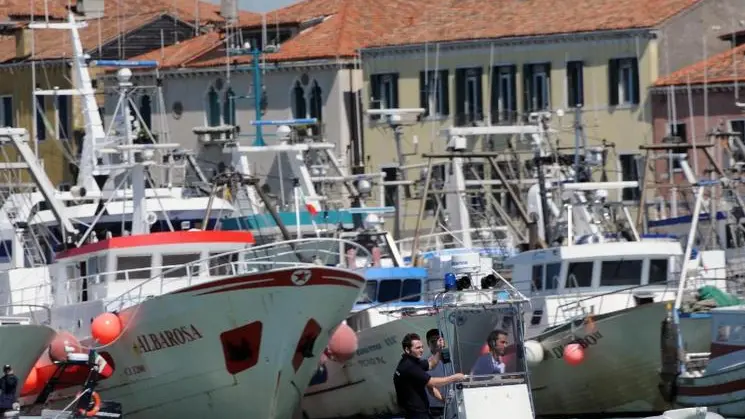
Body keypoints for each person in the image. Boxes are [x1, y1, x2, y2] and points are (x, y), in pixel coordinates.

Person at [394, 333, 466, 419]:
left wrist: (439, 349)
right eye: (417, 348)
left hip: (420, 412)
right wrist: (455, 377)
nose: (421, 350)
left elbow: (431, 364)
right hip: (416, 414)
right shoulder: (409, 366)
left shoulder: (412, 361)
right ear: (407, 349)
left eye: (422, 347)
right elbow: (432, 382)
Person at [425, 329, 446, 419]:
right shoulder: (425, 362)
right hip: (435, 407)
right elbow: (430, 387)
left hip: (455, 401)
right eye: (433, 341)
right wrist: (445, 401)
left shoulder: (452, 356)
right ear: (428, 344)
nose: (436, 343)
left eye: (438, 340)